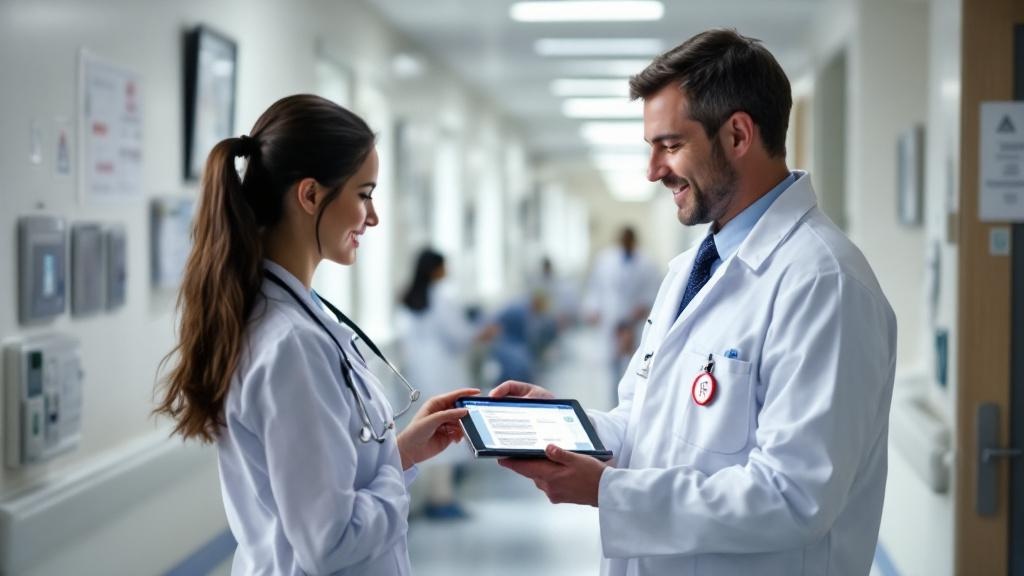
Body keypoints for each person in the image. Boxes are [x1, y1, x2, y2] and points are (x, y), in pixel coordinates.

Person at [493, 29, 897, 576]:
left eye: (671, 145)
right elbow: (644, 423)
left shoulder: (823, 282)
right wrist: (573, 432)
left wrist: (611, 493)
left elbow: (795, 495)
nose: (653, 171)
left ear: (737, 135)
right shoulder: (692, 270)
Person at [154, 94, 476, 575]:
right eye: (364, 194)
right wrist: (393, 473)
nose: (373, 217)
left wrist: (402, 452)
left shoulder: (294, 319)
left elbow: (325, 486)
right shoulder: (291, 345)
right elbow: (331, 542)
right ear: (309, 196)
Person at [396, 248, 496, 519]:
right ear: (435, 269)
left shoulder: (408, 296)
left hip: (419, 371)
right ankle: (441, 499)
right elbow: (458, 335)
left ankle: (431, 497)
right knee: (445, 432)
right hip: (442, 369)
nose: (447, 271)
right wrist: (480, 333)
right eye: (444, 266)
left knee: (424, 429)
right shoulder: (441, 297)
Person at [582, 226, 660, 395]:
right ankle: (614, 402)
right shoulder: (605, 259)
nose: (626, 243)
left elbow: (652, 291)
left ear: (634, 241)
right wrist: (593, 308)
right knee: (612, 364)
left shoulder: (647, 263)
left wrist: (640, 311)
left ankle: (632, 401)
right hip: (610, 316)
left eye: (629, 240)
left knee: (634, 364)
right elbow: (596, 286)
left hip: (635, 321)